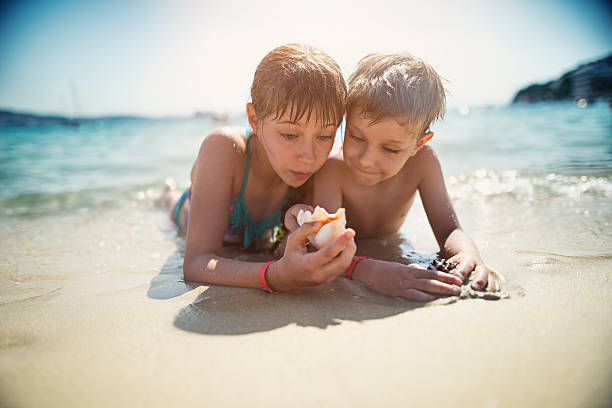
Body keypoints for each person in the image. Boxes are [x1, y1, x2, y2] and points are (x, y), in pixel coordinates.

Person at [286, 53, 499, 301]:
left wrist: (468, 254)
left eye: (390, 149)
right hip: (356, 253)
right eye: (356, 137)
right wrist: (368, 270)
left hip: (388, 242)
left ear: (418, 144)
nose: (366, 159)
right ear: (346, 118)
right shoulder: (333, 168)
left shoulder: (424, 162)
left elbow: (449, 229)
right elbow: (324, 246)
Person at [164, 44, 356, 293]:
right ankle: (167, 193)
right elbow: (195, 263)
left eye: (325, 135)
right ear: (254, 120)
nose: (309, 156)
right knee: (172, 205)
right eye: (289, 134)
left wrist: (292, 235)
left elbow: (281, 247)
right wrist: (275, 276)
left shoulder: (318, 168)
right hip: (190, 214)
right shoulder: (225, 149)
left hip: (255, 236)